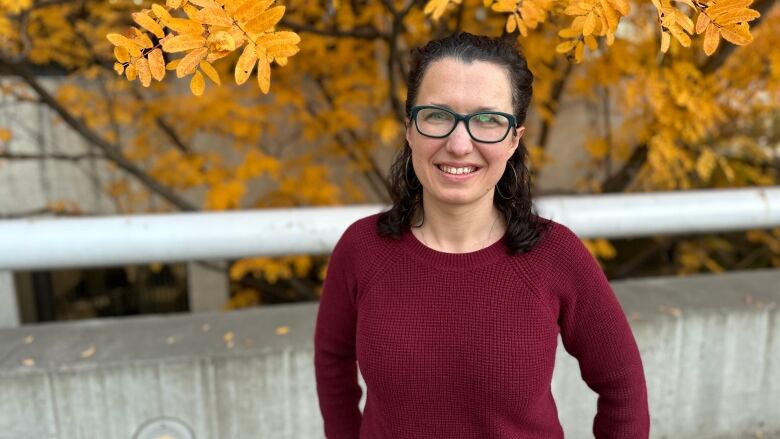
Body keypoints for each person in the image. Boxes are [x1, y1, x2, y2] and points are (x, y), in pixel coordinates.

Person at [314, 32, 649, 438]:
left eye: (488, 120)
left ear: (514, 139)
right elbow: (333, 361)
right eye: (437, 115)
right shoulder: (362, 248)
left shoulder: (555, 255)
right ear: (410, 128)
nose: (459, 144)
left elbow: (622, 384)